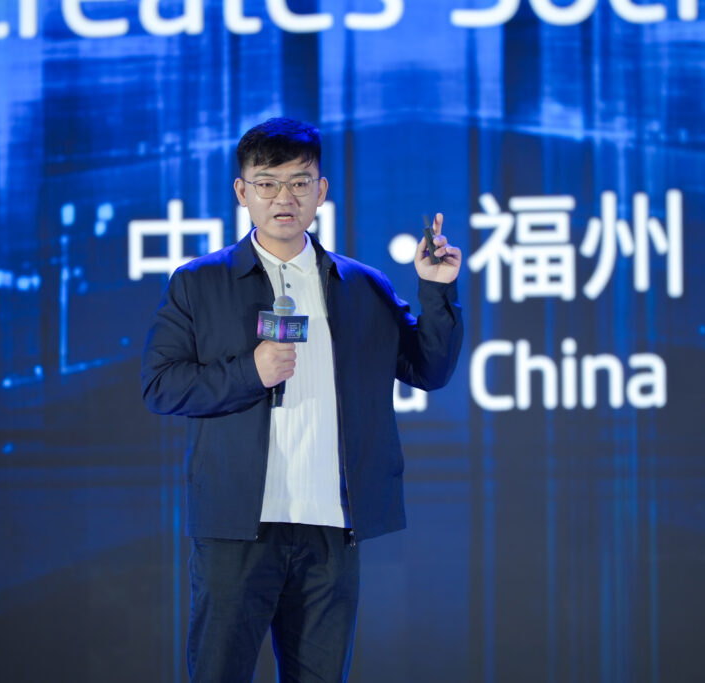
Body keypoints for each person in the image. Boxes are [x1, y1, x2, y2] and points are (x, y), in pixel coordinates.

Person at [140, 117, 464, 682]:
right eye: (266, 183)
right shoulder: (199, 282)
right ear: (242, 191)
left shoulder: (363, 286)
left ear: (321, 190)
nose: (283, 197)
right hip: (238, 526)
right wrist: (251, 371)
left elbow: (429, 369)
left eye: (298, 182)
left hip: (331, 527)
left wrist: (436, 289)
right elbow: (160, 385)